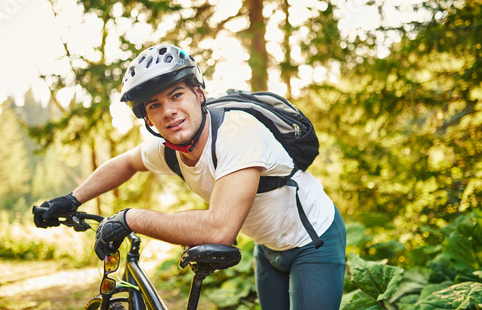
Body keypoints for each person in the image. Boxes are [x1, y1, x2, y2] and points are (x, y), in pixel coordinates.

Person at [33, 44, 347, 309]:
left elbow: (220, 229)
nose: (168, 110)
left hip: (313, 240)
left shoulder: (238, 133)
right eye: (155, 105)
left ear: (199, 93)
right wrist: (72, 199)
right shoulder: (169, 149)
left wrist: (130, 218)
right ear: (148, 118)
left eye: (176, 95)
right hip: (267, 248)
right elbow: (124, 163)